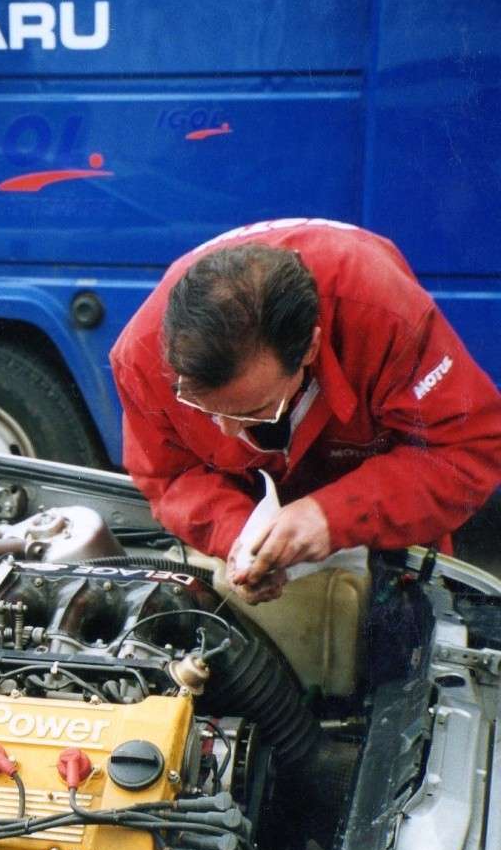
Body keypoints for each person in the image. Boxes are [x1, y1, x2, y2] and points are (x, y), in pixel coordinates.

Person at [110, 218, 501, 604]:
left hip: (390, 525)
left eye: (255, 409)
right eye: (206, 410)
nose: (228, 432)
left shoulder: (381, 313)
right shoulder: (141, 356)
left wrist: (332, 516)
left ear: (310, 349)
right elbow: (169, 475)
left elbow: (465, 448)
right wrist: (240, 536)